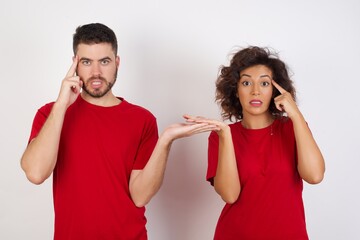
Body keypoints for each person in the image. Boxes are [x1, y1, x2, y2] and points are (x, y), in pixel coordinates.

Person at [20, 23, 217, 240]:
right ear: (74, 64)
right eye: (86, 62)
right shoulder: (51, 113)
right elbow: (36, 173)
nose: (96, 72)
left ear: (117, 63)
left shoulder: (142, 119)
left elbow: (140, 196)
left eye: (104, 61)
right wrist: (62, 104)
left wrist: (165, 141)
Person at [185, 46, 325, 239]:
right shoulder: (221, 136)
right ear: (235, 90)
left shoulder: (293, 128)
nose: (256, 91)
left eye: (265, 83)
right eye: (246, 83)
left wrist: (296, 114)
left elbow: (315, 176)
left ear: (276, 91)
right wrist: (225, 136)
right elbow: (230, 195)